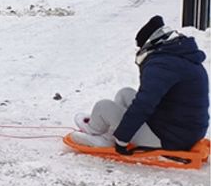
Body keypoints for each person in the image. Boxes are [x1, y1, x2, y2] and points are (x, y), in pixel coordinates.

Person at [71, 16, 208, 152]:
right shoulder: (177, 56)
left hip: (170, 138)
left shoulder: (161, 64)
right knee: (125, 93)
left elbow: (144, 104)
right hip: (183, 130)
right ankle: (110, 134)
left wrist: (123, 139)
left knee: (103, 106)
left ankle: (94, 131)